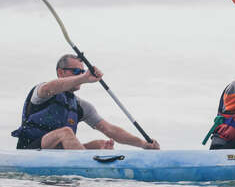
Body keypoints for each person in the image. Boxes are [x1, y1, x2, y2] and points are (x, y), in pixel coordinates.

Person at [12, 54, 160, 150]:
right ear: (60, 72)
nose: (81, 75)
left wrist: (143, 143)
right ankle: (86, 168)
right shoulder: (42, 92)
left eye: (82, 72)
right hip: (29, 149)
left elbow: (110, 129)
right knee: (66, 133)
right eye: (76, 71)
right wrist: (84, 78)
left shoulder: (81, 106)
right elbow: (53, 86)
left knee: (101, 144)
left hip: (56, 153)